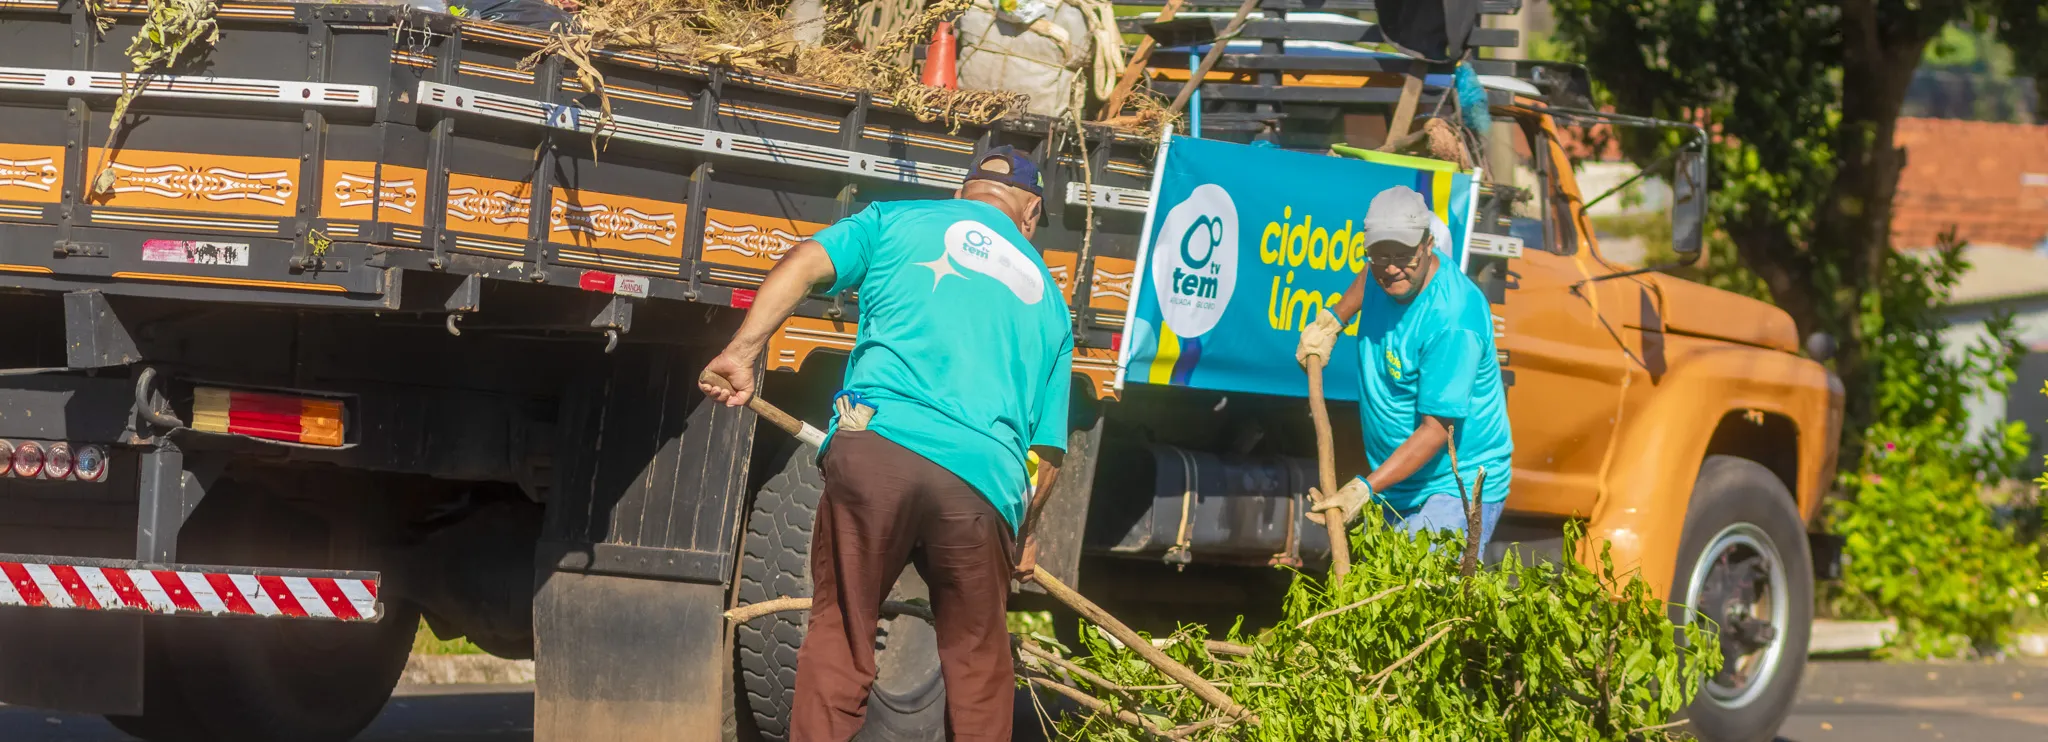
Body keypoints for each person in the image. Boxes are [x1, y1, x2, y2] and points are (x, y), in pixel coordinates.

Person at [700, 145, 1073, 742]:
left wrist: (743, 352)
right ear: (1030, 213)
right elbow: (1049, 452)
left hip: (877, 448)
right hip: (981, 484)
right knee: (978, 666)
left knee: (842, 633)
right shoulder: (1051, 301)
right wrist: (1024, 533)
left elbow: (804, 262)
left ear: (962, 192)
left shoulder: (896, 218)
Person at [1296, 185, 1512, 550]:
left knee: (1422, 585)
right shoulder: (1384, 271)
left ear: (1428, 245)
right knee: (1384, 584)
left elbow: (1436, 430)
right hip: (1400, 482)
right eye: (1380, 256)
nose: (1392, 268)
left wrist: (1363, 488)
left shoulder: (1452, 320)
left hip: (1452, 485)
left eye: (1404, 256)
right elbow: (1370, 277)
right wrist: (1333, 320)